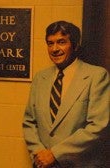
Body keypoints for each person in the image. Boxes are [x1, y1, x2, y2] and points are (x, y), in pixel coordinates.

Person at [22, 20, 109, 168]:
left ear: (74, 45)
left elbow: (98, 126)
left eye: (61, 42)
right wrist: (39, 153)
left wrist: (55, 154)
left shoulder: (96, 76)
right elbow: (29, 122)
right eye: (50, 43)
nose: (54, 49)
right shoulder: (40, 78)